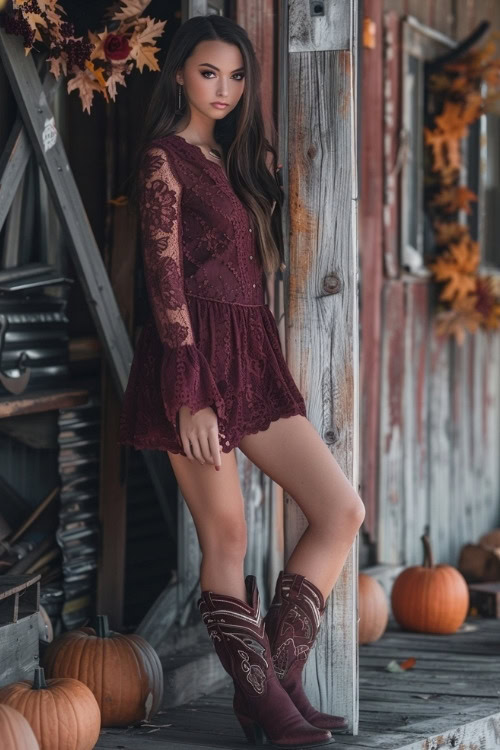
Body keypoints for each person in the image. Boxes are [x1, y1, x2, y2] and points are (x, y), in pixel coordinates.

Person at [118, 14, 365, 749]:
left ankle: (273, 690)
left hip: (250, 361)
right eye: (207, 73)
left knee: (340, 509)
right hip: (189, 365)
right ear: (179, 76)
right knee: (227, 536)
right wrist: (188, 388)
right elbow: (164, 279)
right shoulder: (165, 157)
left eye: (235, 75)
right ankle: (274, 709)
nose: (222, 89)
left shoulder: (233, 159)